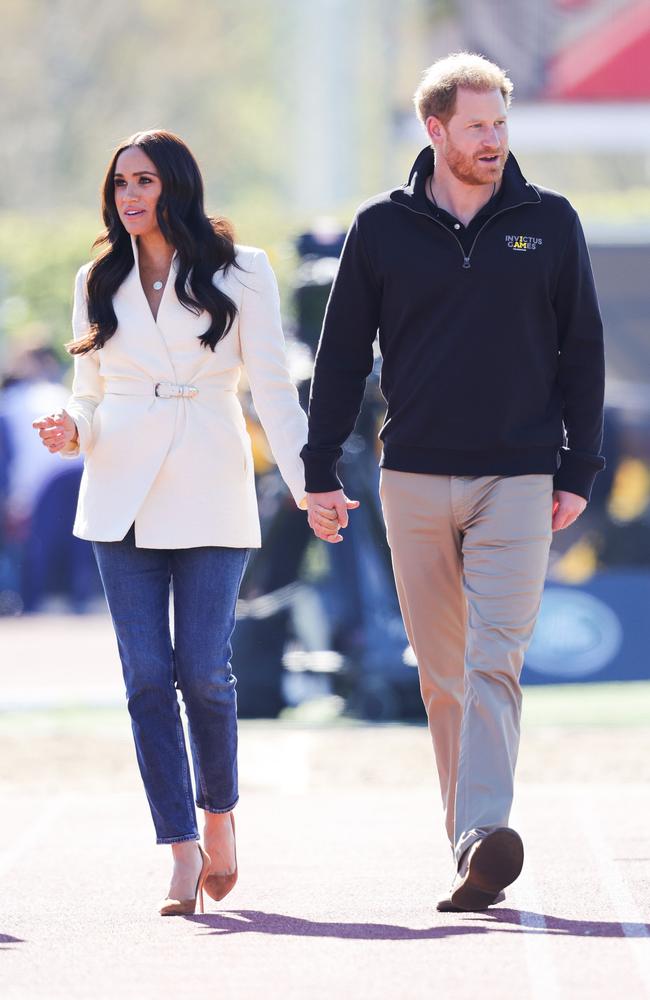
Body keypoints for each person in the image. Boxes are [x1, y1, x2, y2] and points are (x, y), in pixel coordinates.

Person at [301, 53, 605, 912]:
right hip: (413, 477)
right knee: (442, 673)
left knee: (493, 659)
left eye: (501, 124)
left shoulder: (549, 221)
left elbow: (581, 350)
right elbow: (339, 355)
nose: (493, 141)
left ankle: (482, 832)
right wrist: (320, 467)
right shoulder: (381, 228)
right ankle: (468, 844)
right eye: (476, 126)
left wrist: (577, 467)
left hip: (520, 475)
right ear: (435, 130)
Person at [33, 129, 312, 916]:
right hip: (117, 495)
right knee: (146, 681)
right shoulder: (96, 277)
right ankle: (180, 850)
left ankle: (219, 815)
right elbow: (87, 392)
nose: (129, 195)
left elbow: (274, 391)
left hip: (210, 487)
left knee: (203, 674)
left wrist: (305, 485)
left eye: (145, 180)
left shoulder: (242, 270)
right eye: (120, 182)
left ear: (176, 187)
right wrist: (70, 427)